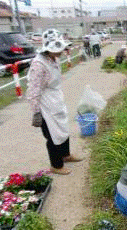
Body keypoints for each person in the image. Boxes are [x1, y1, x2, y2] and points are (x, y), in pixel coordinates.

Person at [26, 29, 83, 175]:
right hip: (45, 104)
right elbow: (33, 90)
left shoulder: (53, 59)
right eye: (57, 50)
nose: (60, 52)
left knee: (63, 129)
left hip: (56, 100)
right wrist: (36, 112)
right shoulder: (38, 65)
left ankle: (66, 155)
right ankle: (56, 165)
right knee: (52, 135)